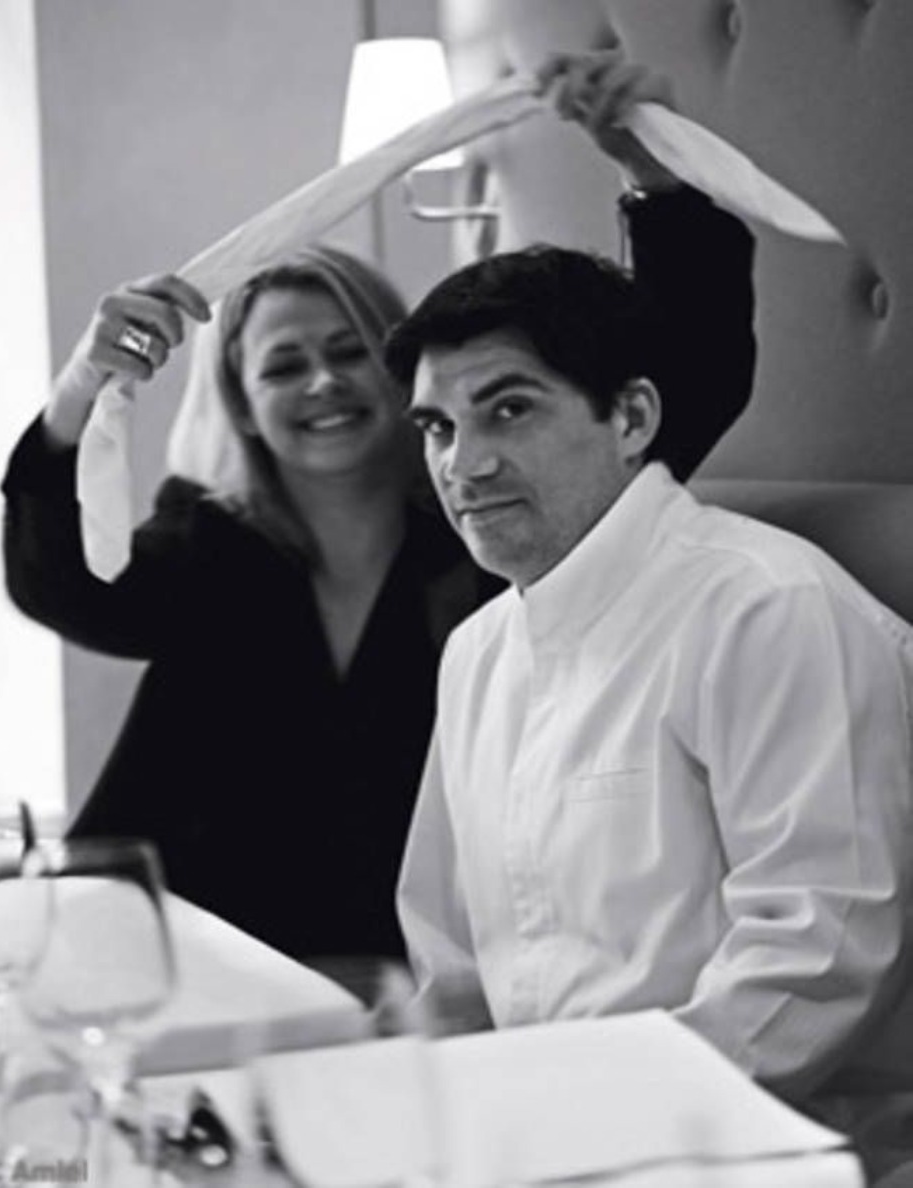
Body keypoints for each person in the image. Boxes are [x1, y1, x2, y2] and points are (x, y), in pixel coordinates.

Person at [1, 53, 756, 961]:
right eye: (284, 365)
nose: (322, 383)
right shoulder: (209, 545)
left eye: (349, 350)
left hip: (416, 966)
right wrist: (83, 387)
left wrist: (656, 183)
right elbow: (62, 587)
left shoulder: (495, 528)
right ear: (242, 401)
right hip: (192, 954)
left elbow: (687, 384)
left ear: (403, 375)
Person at [386, 126, 913, 1147]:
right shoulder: (478, 651)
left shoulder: (764, 609)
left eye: (507, 410)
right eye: (438, 428)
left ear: (630, 418)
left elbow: (813, 962)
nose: (463, 466)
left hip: (753, 1147)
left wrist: (585, 1131)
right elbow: (449, 960)